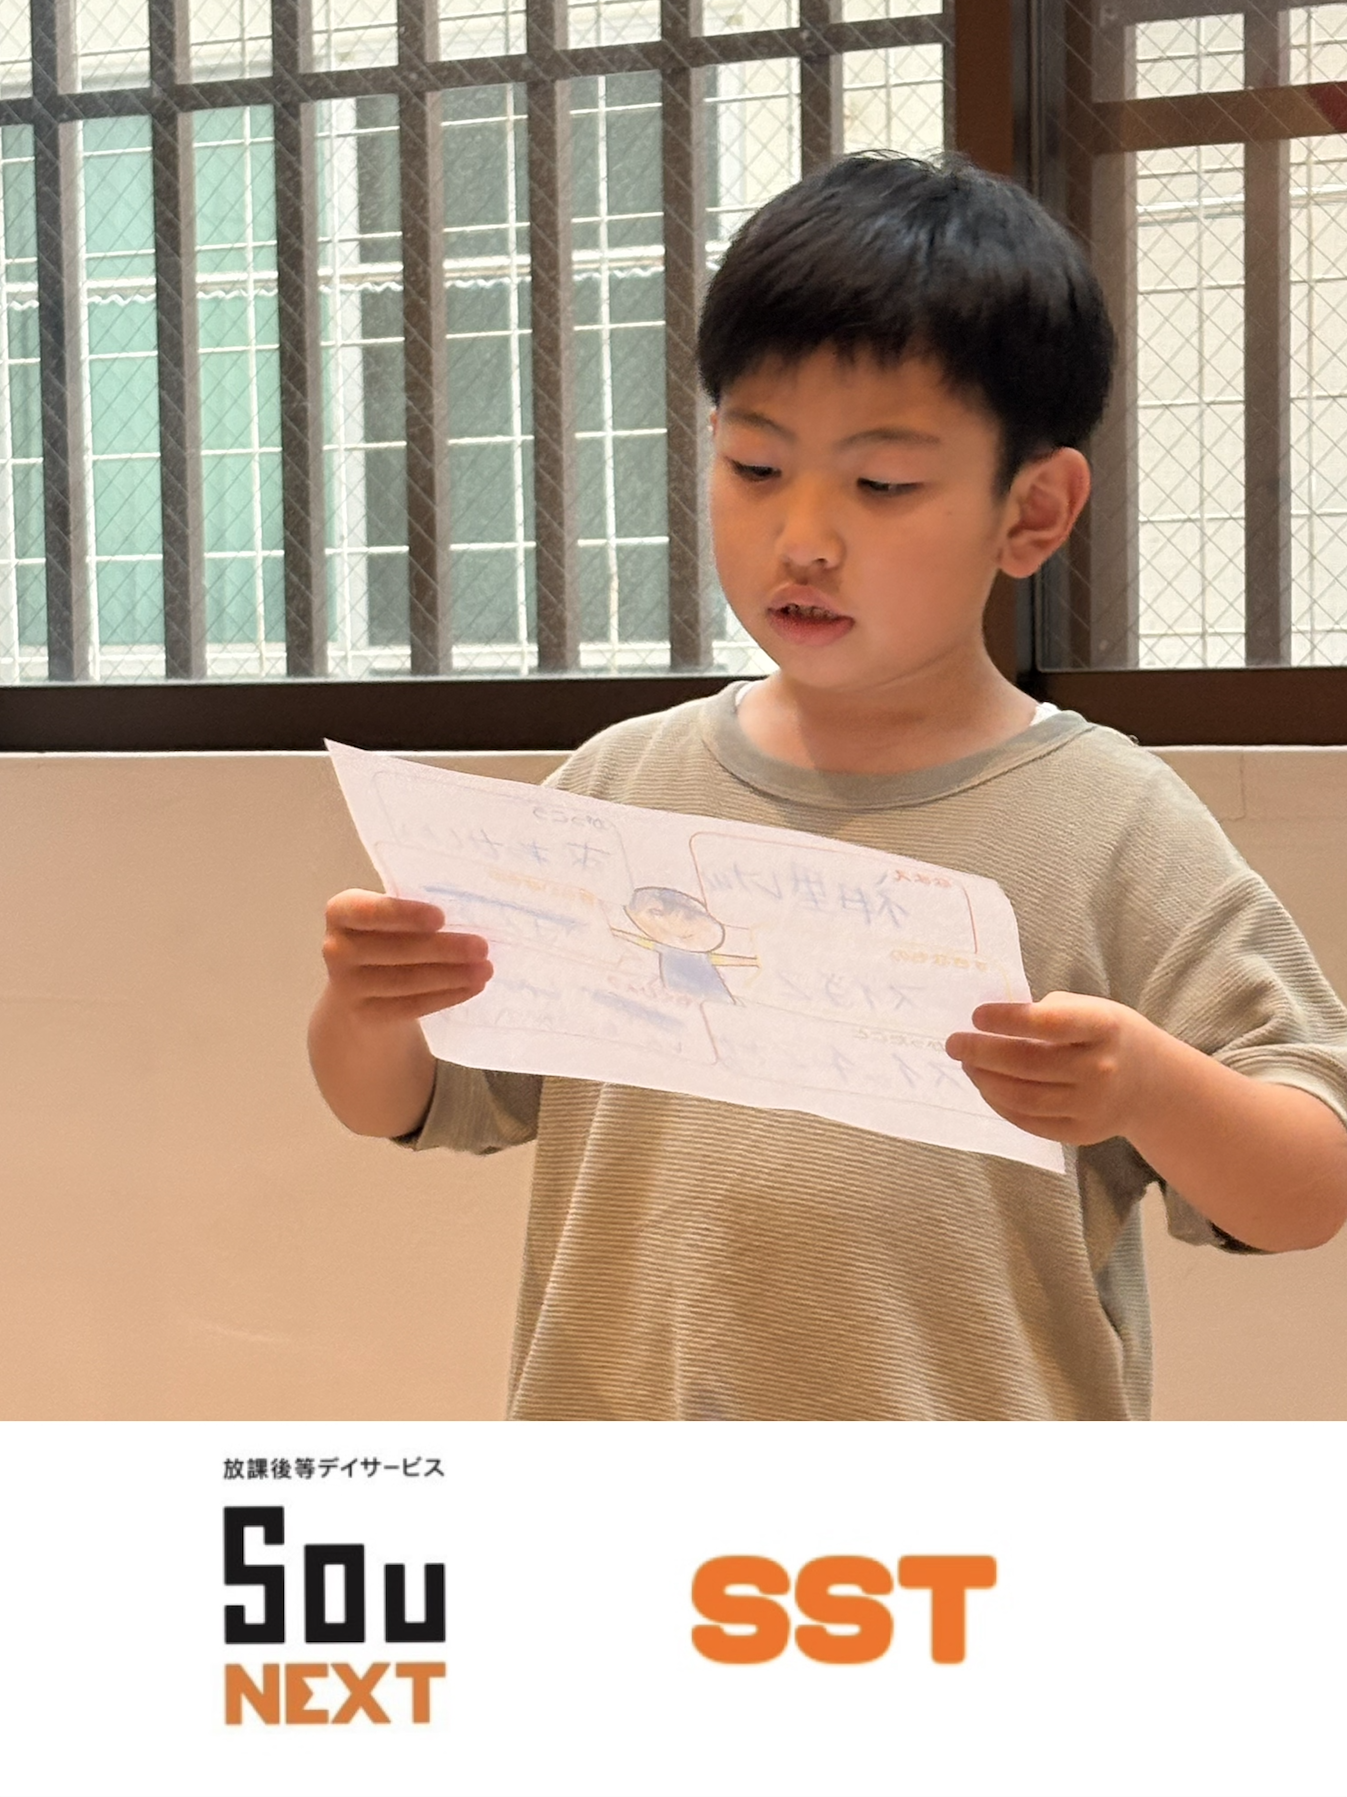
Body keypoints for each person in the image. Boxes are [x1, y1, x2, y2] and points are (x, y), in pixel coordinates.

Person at [309, 153, 1347, 1420]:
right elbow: (419, 1103)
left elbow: (1309, 1185)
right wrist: (370, 1009)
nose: (801, 538)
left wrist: (1147, 1085)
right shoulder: (619, 789)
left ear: (1033, 511)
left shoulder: (1114, 824)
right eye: (755, 467)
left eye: (882, 484)